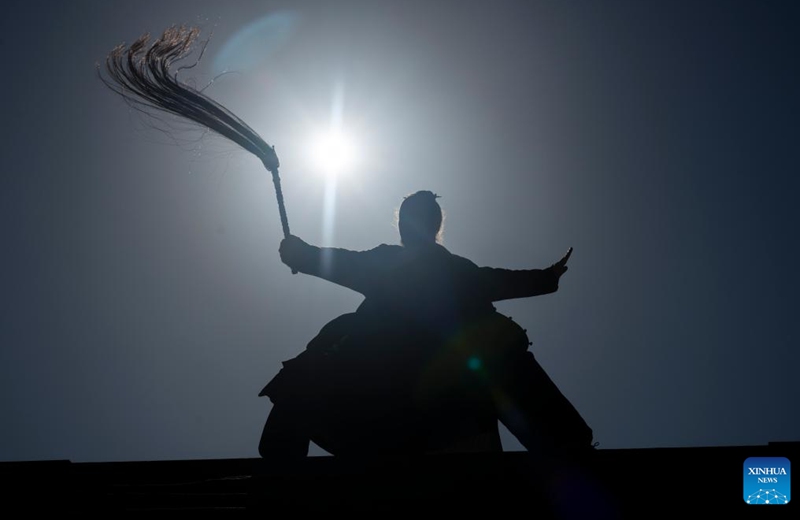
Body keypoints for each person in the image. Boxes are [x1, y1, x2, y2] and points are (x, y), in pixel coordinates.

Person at [258, 190, 593, 461]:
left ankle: (568, 446)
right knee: (314, 363)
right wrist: (301, 254)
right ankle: (282, 467)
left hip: (434, 378)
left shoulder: (440, 268)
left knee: (503, 351)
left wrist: (546, 278)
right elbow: (336, 262)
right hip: (387, 375)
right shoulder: (404, 263)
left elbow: (499, 282)